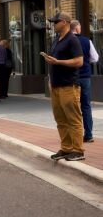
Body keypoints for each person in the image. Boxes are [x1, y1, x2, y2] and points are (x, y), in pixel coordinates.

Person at [43, 12, 84, 161]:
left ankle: (78, 151)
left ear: (65, 22)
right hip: (56, 85)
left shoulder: (72, 40)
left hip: (69, 85)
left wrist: (59, 62)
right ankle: (66, 149)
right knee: (60, 120)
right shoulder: (56, 40)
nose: (53, 24)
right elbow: (54, 62)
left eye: (56, 22)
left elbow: (79, 62)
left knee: (73, 119)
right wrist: (50, 79)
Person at [70, 20, 98, 143]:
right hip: (85, 77)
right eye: (80, 26)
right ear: (76, 28)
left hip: (71, 78)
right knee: (86, 106)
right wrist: (86, 62)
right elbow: (95, 58)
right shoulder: (87, 41)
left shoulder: (66, 41)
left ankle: (74, 135)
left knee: (72, 107)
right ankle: (89, 134)